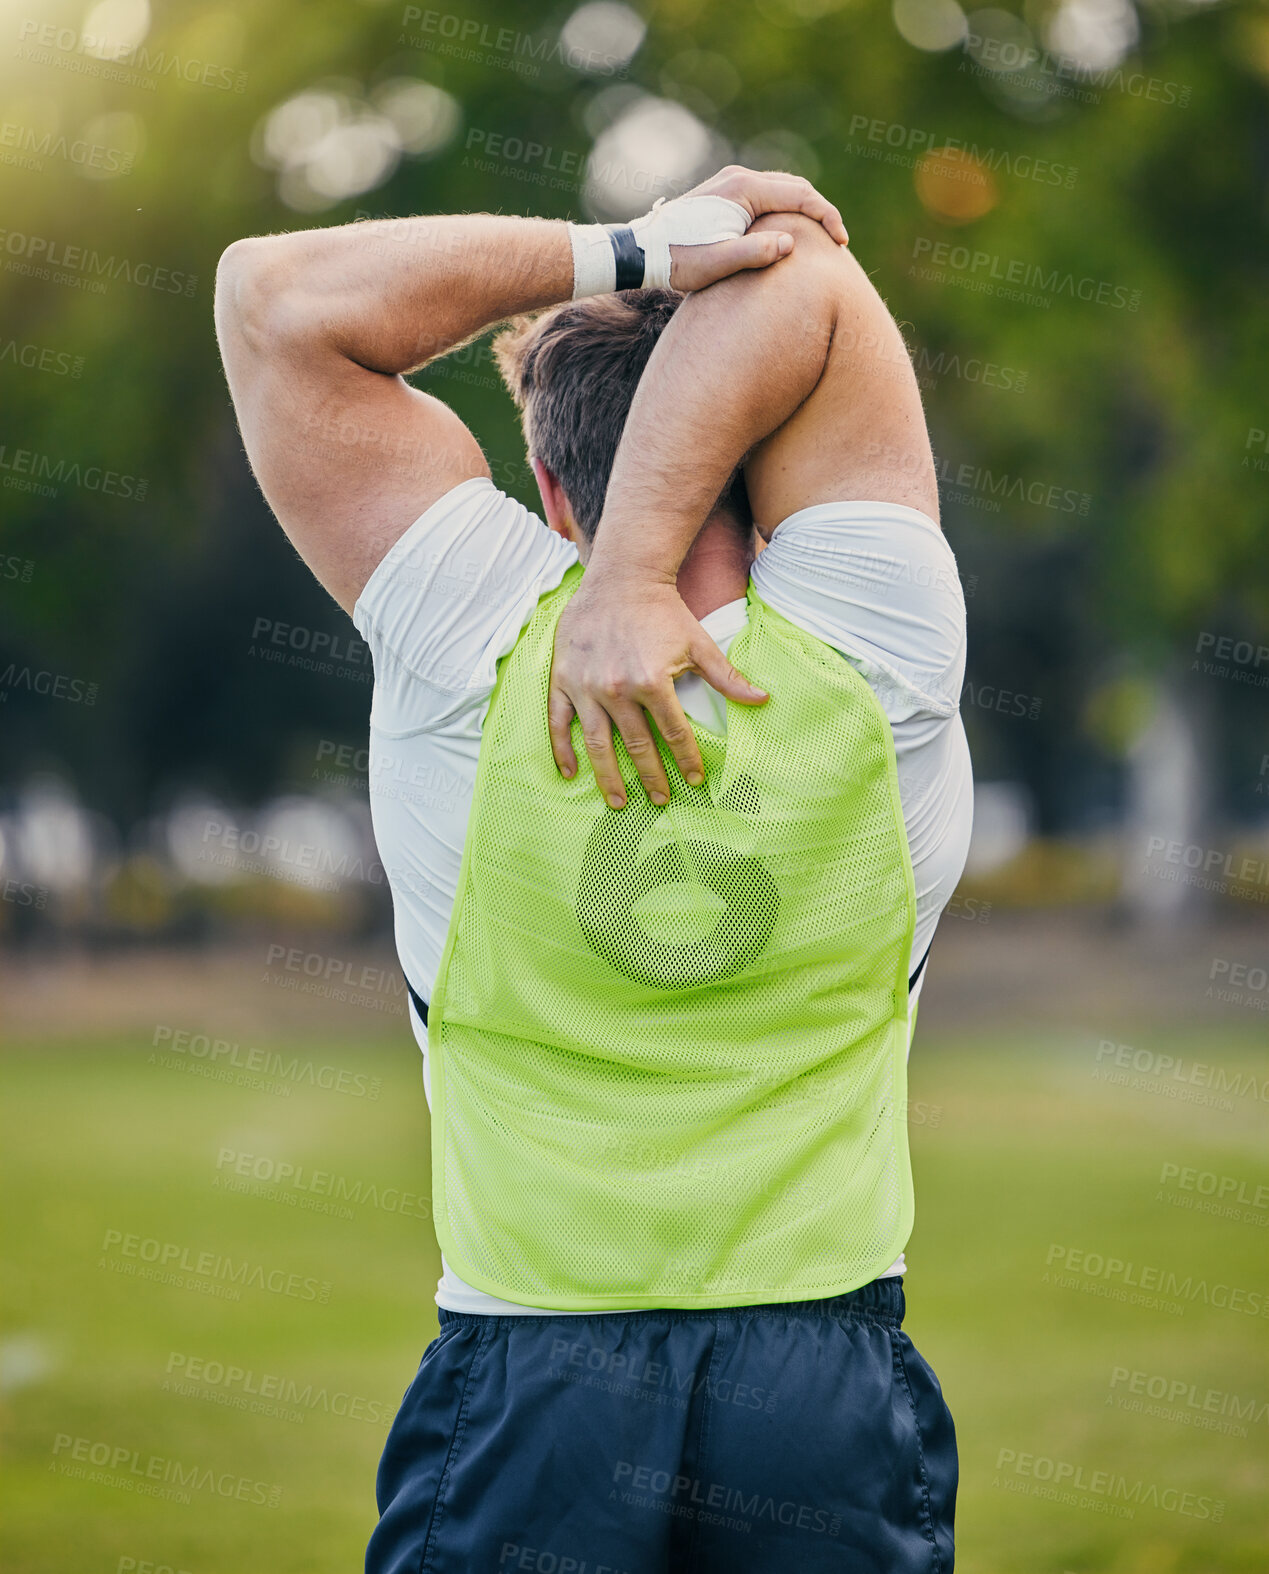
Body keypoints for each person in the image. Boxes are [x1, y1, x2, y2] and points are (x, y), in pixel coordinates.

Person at [215, 165, 971, 1573]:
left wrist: (629, 252)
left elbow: (269, 297)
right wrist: (643, 559)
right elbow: (808, 275)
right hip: (824, 1385)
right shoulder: (885, 653)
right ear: (764, 455)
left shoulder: (475, 638)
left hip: (532, 1391)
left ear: (547, 484)